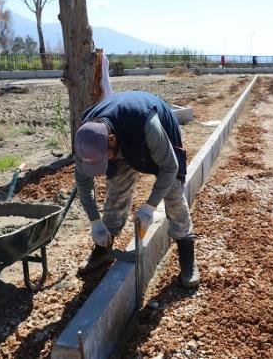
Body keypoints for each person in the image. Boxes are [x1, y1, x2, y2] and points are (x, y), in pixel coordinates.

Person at [73, 91, 200, 288]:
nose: (102, 163)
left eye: (104, 158)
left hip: (150, 133)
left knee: (173, 193)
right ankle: (103, 248)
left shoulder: (147, 124)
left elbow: (169, 167)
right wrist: (95, 221)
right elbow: (83, 184)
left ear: (112, 139)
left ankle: (187, 254)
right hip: (122, 139)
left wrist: (150, 206)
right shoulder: (87, 139)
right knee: (116, 190)